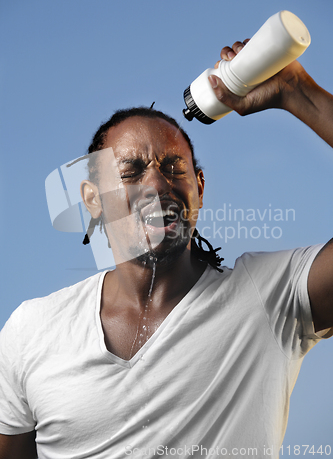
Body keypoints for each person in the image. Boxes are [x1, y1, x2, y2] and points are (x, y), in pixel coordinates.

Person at [0, 40, 332, 459]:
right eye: (130, 171)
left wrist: (296, 92)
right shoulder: (31, 331)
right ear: (92, 199)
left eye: (175, 168)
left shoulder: (273, 297)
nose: (157, 186)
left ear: (200, 189)